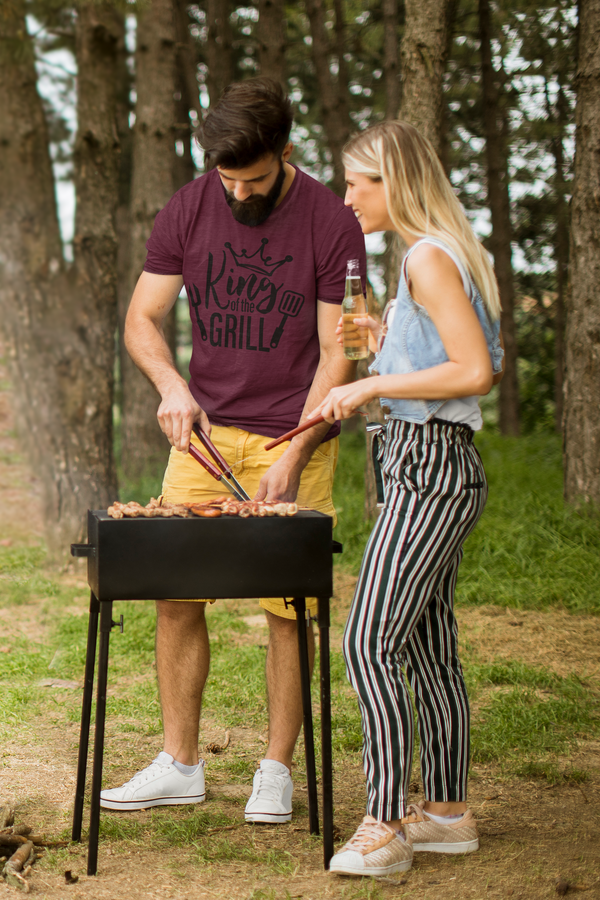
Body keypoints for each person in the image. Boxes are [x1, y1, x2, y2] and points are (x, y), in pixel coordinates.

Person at [100, 78, 366, 822]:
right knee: (175, 594)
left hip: (296, 433)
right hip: (207, 436)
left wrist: (301, 447)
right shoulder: (188, 206)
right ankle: (181, 763)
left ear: (286, 152)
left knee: (291, 607)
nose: (240, 192)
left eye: (254, 178)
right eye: (228, 179)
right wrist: (170, 386)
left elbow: (338, 350)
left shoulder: (331, 223)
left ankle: (275, 771)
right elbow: (143, 319)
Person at [308, 121, 504, 877]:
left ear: (397, 181)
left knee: (367, 640)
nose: (347, 195)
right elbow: (450, 358)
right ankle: (448, 814)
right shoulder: (435, 255)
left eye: (359, 182)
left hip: (429, 468)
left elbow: (475, 371)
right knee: (426, 648)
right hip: (431, 465)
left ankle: (385, 824)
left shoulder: (426, 256)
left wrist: (372, 381)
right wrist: (387, 345)